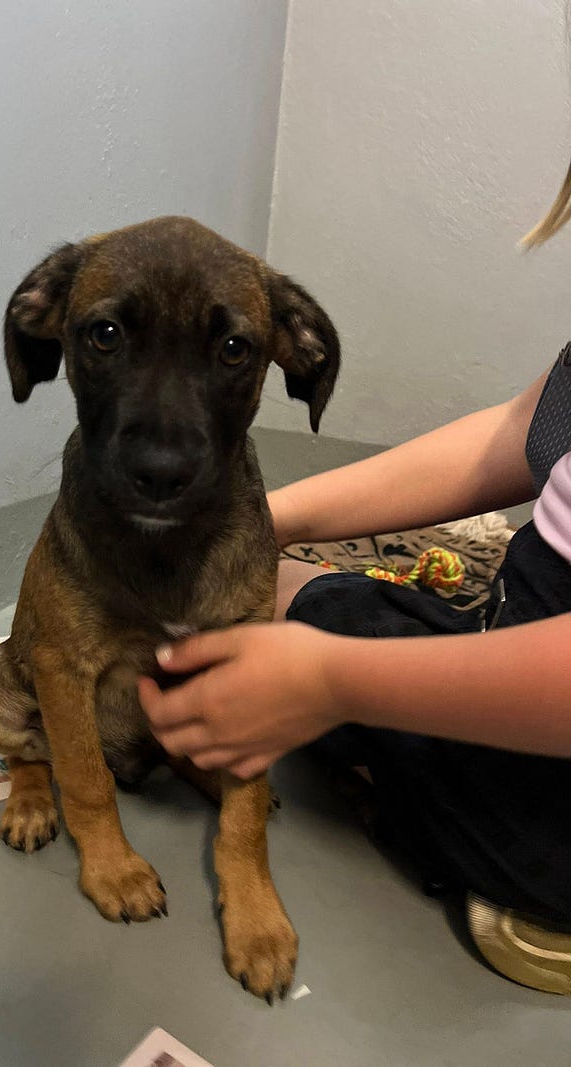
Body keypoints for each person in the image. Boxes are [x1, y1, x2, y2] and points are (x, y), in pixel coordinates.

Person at [138, 160, 571, 994]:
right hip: (524, 625)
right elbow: (523, 433)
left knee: (316, 620)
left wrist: (331, 683)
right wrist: (268, 520)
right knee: (286, 583)